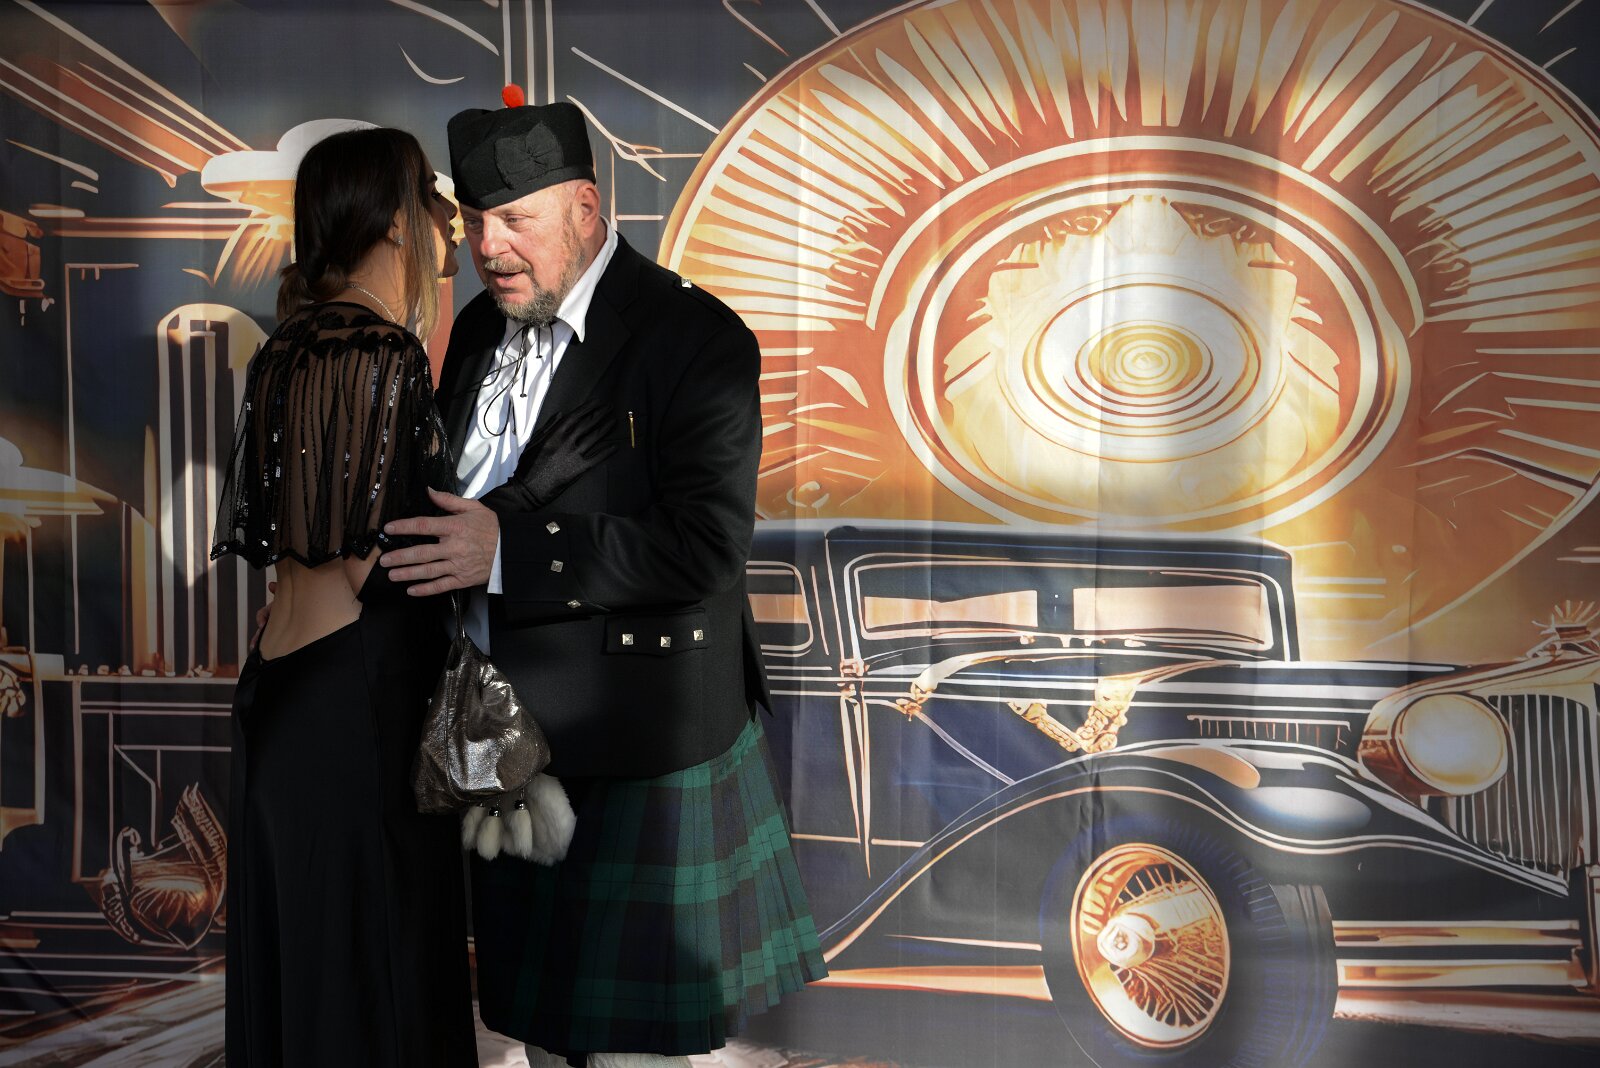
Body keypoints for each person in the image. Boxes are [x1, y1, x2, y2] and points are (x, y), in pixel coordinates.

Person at [379, 97, 827, 1067]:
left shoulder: (693, 337)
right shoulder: (478, 330)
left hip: (636, 750)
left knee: (633, 1055)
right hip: (506, 747)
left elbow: (704, 548)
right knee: (541, 1038)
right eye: (475, 221)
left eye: (516, 220)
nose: (488, 247)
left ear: (586, 207)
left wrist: (510, 551)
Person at [211, 126, 478, 1067]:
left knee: (302, 977)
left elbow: (298, 543)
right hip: (357, 706)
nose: (449, 228)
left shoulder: (284, 349)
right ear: (396, 222)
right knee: (378, 981)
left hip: (279, 693)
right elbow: (375, 564)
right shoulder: (384, 352)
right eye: (432, 205)